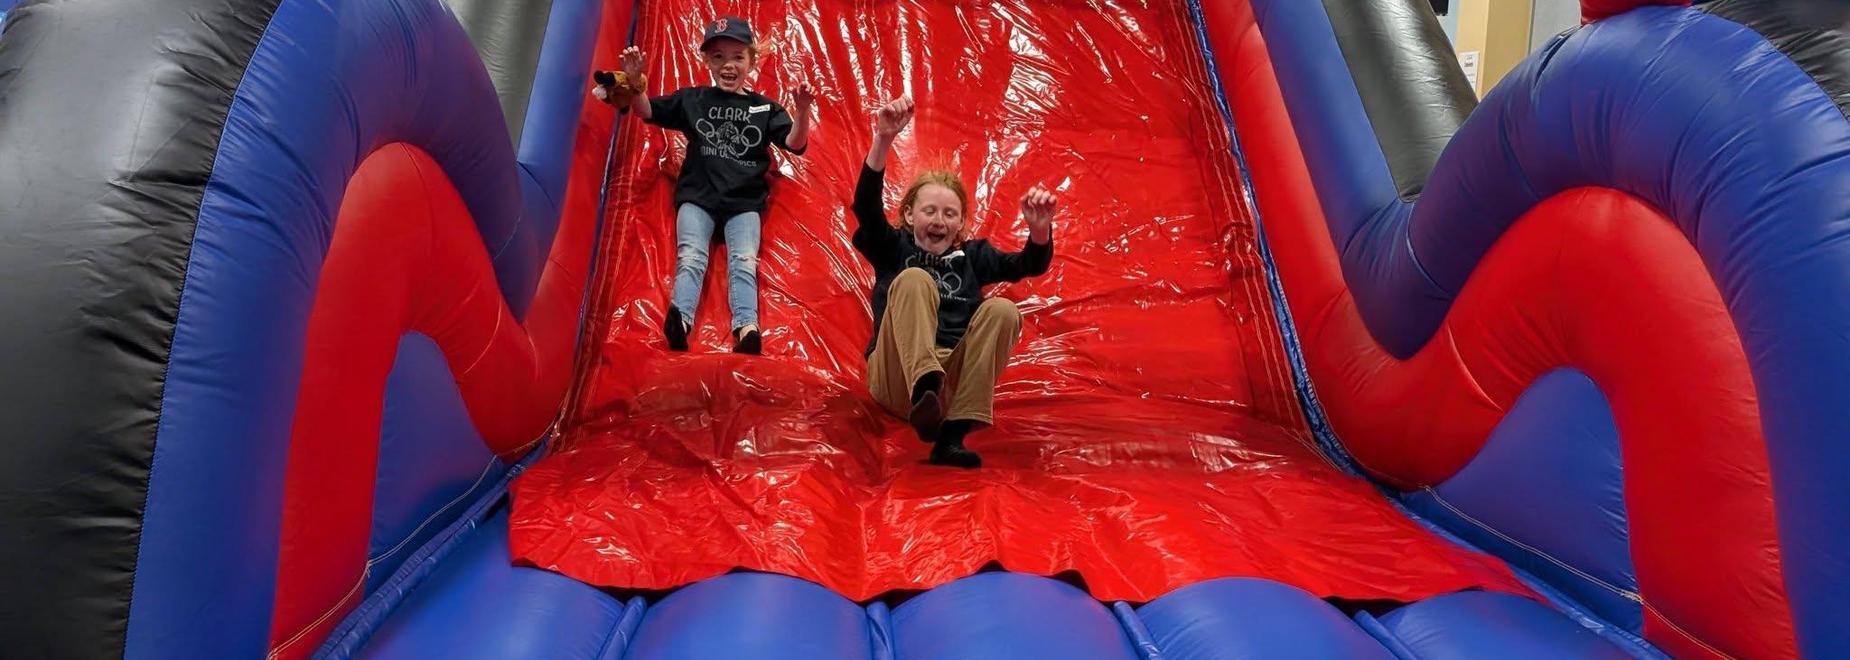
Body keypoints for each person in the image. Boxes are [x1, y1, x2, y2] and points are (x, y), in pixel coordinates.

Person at [852, 96, 1057, 468]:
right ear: (910, 215)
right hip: (897, 375)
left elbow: (1028, 263)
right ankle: (923, 385)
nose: (939, 221)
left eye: (950, 214)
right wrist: (883, 139)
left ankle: (950, 433)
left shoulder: (973, 256)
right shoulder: (892, 247)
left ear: (961, 223)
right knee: (914, 279)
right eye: (930, 211)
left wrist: (1040, 228)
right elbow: (865, 208)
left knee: (1003, 310)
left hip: (950, 383)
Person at [594, 17, 814, 354]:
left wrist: (801, 111)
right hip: (698, 197)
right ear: (707, 62)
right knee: (691, 256)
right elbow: (646, 110)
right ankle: (680, 319)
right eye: (719, 57)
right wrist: (637, 81)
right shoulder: (694, 99)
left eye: (738, 57)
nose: (729, 65)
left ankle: (747, 327)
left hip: (744, 202)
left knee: (743, 259)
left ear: (752, 62)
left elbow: (795, 144)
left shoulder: (764, 108)